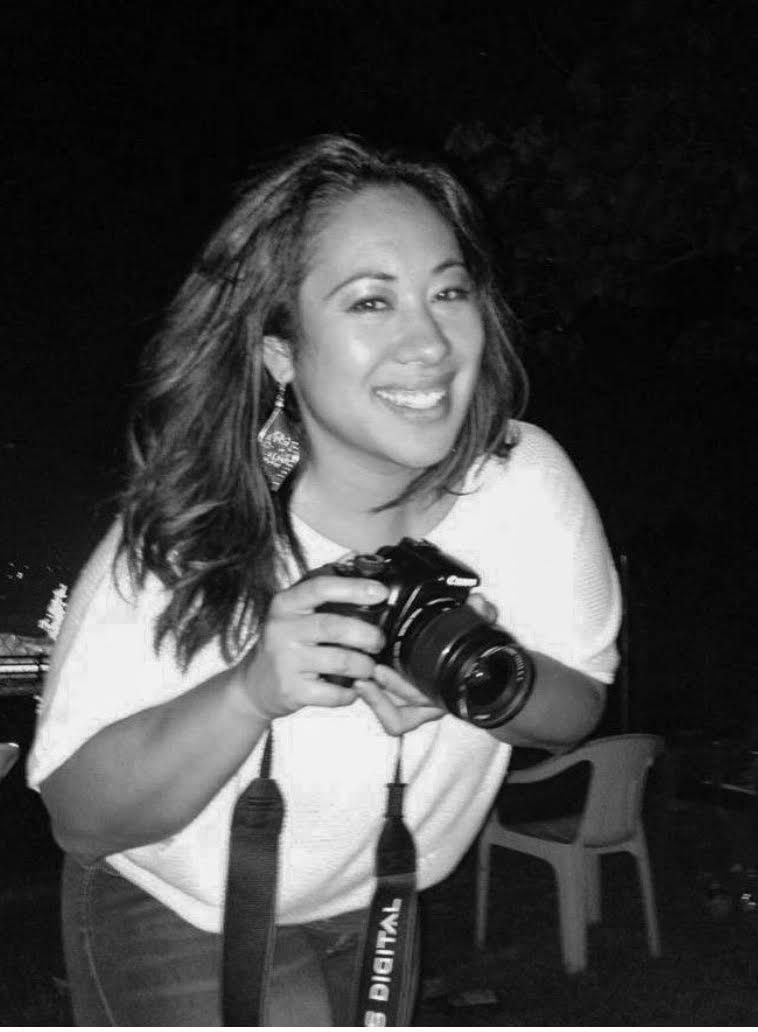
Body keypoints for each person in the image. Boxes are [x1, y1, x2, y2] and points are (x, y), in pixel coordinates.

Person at [28, 134, 621, 1026]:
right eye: (371, 301)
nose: (428, 340)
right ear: (280, 352)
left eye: (449, 291)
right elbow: (79, 817)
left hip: (381, 895)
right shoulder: (191, 525)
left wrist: (482, 686)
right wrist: (253, 689)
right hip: (178, 908)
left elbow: (578, 704)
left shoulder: (523, 478)